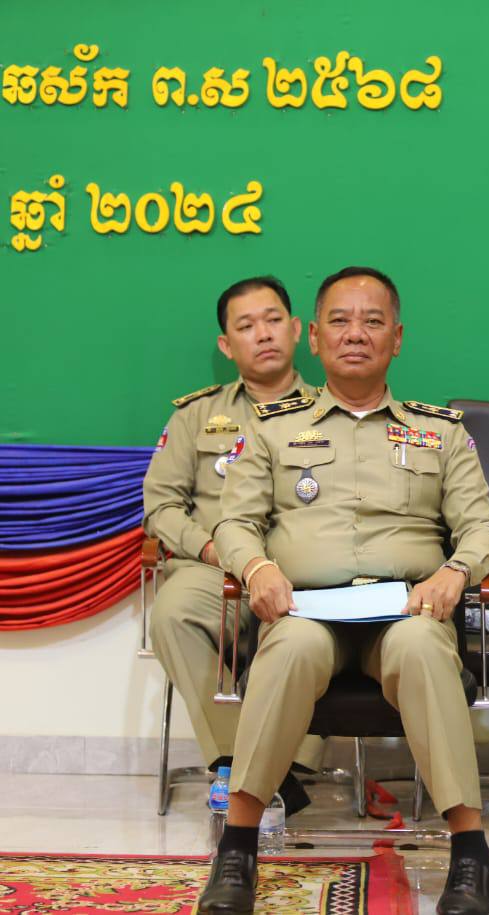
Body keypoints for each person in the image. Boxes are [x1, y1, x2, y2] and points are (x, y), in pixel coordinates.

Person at [196, 266, 489, 915]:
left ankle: (470, 854)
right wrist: (257, 569)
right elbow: (233, 522)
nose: (355, 333)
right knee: (287, 650)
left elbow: (485, 527)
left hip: (405, 611)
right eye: (339, 321)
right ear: (314, 337)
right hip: (306, 611)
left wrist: (455, 572)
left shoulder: (440, 432)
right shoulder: (272, 428)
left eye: (372, 321)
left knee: (424, 648)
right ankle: (238, 847)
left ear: (398, 337)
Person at [143, 276, 323, 811]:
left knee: (323, 619)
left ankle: (268, 767)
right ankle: (249, 765)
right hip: (216, 573)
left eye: (273, 321)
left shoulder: (331, 411)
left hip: (302, 574)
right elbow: (160, 507)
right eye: (246, 326)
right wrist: (210, 550)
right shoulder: (196, 416)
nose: (262, 334)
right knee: (172, 612)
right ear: (226, 345)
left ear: (296, 330)